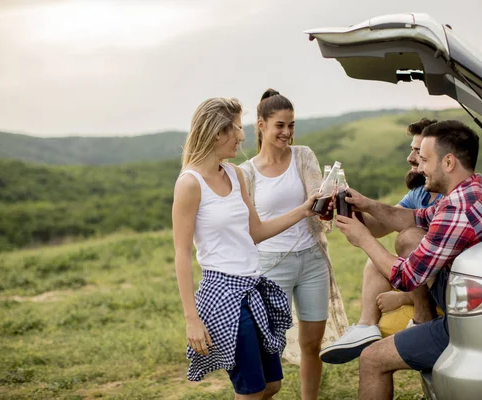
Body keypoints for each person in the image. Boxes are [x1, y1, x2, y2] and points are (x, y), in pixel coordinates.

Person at [334, 120, 482, 400]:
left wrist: (363, 239)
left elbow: (405, 277)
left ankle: (424, 324)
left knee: (372, 359)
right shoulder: (475, 189)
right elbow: (415, 217)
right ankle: (422, 317)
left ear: (448, 162)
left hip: (469, 324)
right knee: (411, 235)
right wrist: (366, 203)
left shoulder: (457, 209)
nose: (419, 166)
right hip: (474, 299)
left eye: (425, 160)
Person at [172, 97, 320, 400]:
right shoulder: (190, 184)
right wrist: (191, 319)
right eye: (237, 129)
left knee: (271, 385)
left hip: (253, 286)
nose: (242, 136)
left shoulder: (235, 175)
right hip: (224, 292)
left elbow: (256, 232)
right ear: (218, 132)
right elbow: (181, 255)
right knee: (252, 390)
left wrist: (304, 210)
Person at [240, 89, 348, 400]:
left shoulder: (303, 156)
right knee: (266, 347)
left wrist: (329, 202)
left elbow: (318, 202)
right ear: (261, 125)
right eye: (280, 126)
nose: (287, 133)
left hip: (312, 260)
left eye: (292, 125)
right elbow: (250, 230)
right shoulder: (247, 173)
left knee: (312, 344)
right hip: (271, 266)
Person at [320, 118, 442, 364]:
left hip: (441, 283)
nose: (410, 157)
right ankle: (365, 326)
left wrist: (403, 298)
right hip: (420, 277)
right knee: (374, 261)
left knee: (409, 238)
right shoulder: (420, 193)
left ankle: (422, 317)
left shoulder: (448, 197)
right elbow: (381, 224)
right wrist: (353, 208)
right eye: (411, 149)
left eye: (417, 151)